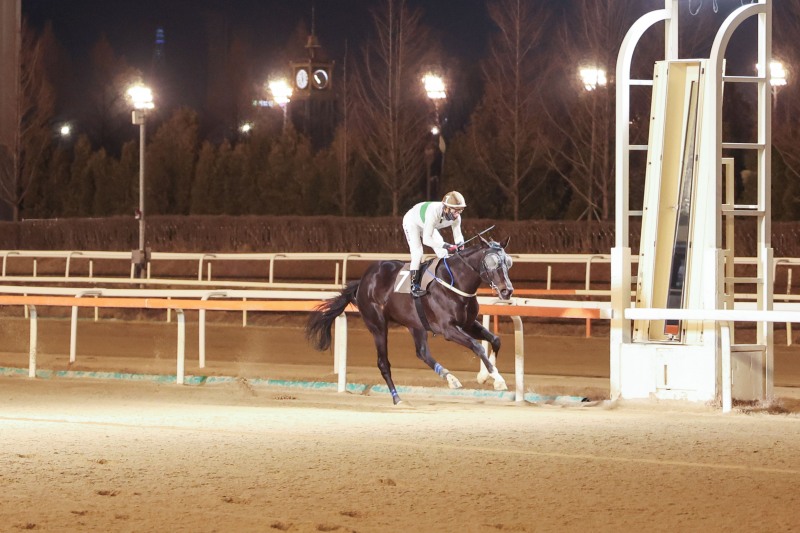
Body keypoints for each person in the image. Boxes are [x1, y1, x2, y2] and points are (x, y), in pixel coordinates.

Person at [402, 191, 466, 297]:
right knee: (418, 253)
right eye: (455, 210)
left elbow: (458, 235)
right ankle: (414, 286)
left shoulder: (456, 217)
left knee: (443, 253)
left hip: (427, 224)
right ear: (446, 208)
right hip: (412, 222)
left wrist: (460, 244)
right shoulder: (434, 213)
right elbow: (426, 240)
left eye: (460, 211)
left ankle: (448, 280)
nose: (457, 214)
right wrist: (447, 245)